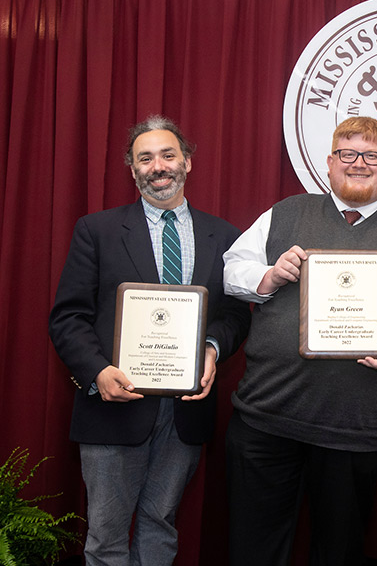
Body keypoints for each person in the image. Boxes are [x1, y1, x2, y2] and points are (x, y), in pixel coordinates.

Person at [222, 116, 377, 565]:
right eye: (348, 154)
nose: (359, 164)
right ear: (330, 163)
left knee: (339, 552)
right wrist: (270, 274)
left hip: (357, 425)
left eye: (372, 156)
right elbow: (232, 269)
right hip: (267, 416)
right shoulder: (286, 212)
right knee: (254, 548)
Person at [48, 115, 252, 565]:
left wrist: (212, 348)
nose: (157, 166)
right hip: (114, 405)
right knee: (105, 535)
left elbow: (236, 312)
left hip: (185, 411)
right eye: (145, 158)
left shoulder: (224, 235)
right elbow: (68, 317)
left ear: (187, 163)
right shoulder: (96, 230)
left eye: (167, 155)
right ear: (132, 168)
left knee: (161, 526)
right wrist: (98, 371)